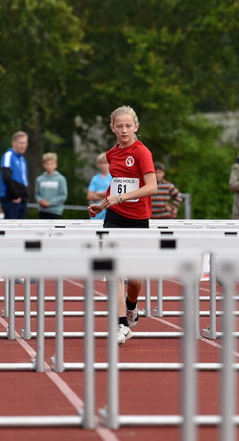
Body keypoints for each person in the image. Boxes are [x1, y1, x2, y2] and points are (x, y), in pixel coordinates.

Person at [88, 106, 157, 345]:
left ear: (136, 126)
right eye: (120, 126)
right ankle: (121, 323)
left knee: (135, 279)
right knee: (112, 271)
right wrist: (103, 204)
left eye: (128, 125)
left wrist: (122, 197)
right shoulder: (111, 155)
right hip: (114, 216)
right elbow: (116, 185)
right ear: (112, 128)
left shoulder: (142, 152)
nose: (124, 130)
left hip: (138, 218)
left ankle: (131, 306)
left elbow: (152, 187)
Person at [0, 131, 29, 219]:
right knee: (11, 230)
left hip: (22, 200)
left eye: (25, 143)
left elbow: (24, 181)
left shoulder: (23, 160)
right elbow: (6, 177)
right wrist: (15, 195)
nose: (23, 146)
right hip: (11, 199)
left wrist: (25, 196)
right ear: (13, 143)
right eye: (20, 143)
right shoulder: (8, 155)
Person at [35, 152, 68, 219]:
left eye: (51, 164)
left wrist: (50, 203)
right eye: (47, 164)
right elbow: (37, 194)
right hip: (43, 211)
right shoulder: (39, 179)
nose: (49, 166)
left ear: (56, 165)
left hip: (56, 212)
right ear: (43, 165)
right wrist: (41, 201)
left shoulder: (61, 179)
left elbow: (63, 195)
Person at [87, 152, 112, 221]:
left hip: (108, 214)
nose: (103, 165)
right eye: (101, 163)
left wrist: (98, 194)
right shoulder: (95, 178)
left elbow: (113, 195)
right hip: (95, 215)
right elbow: (89, 196)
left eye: (105, 163)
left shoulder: (113, 177)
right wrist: (105, 196)